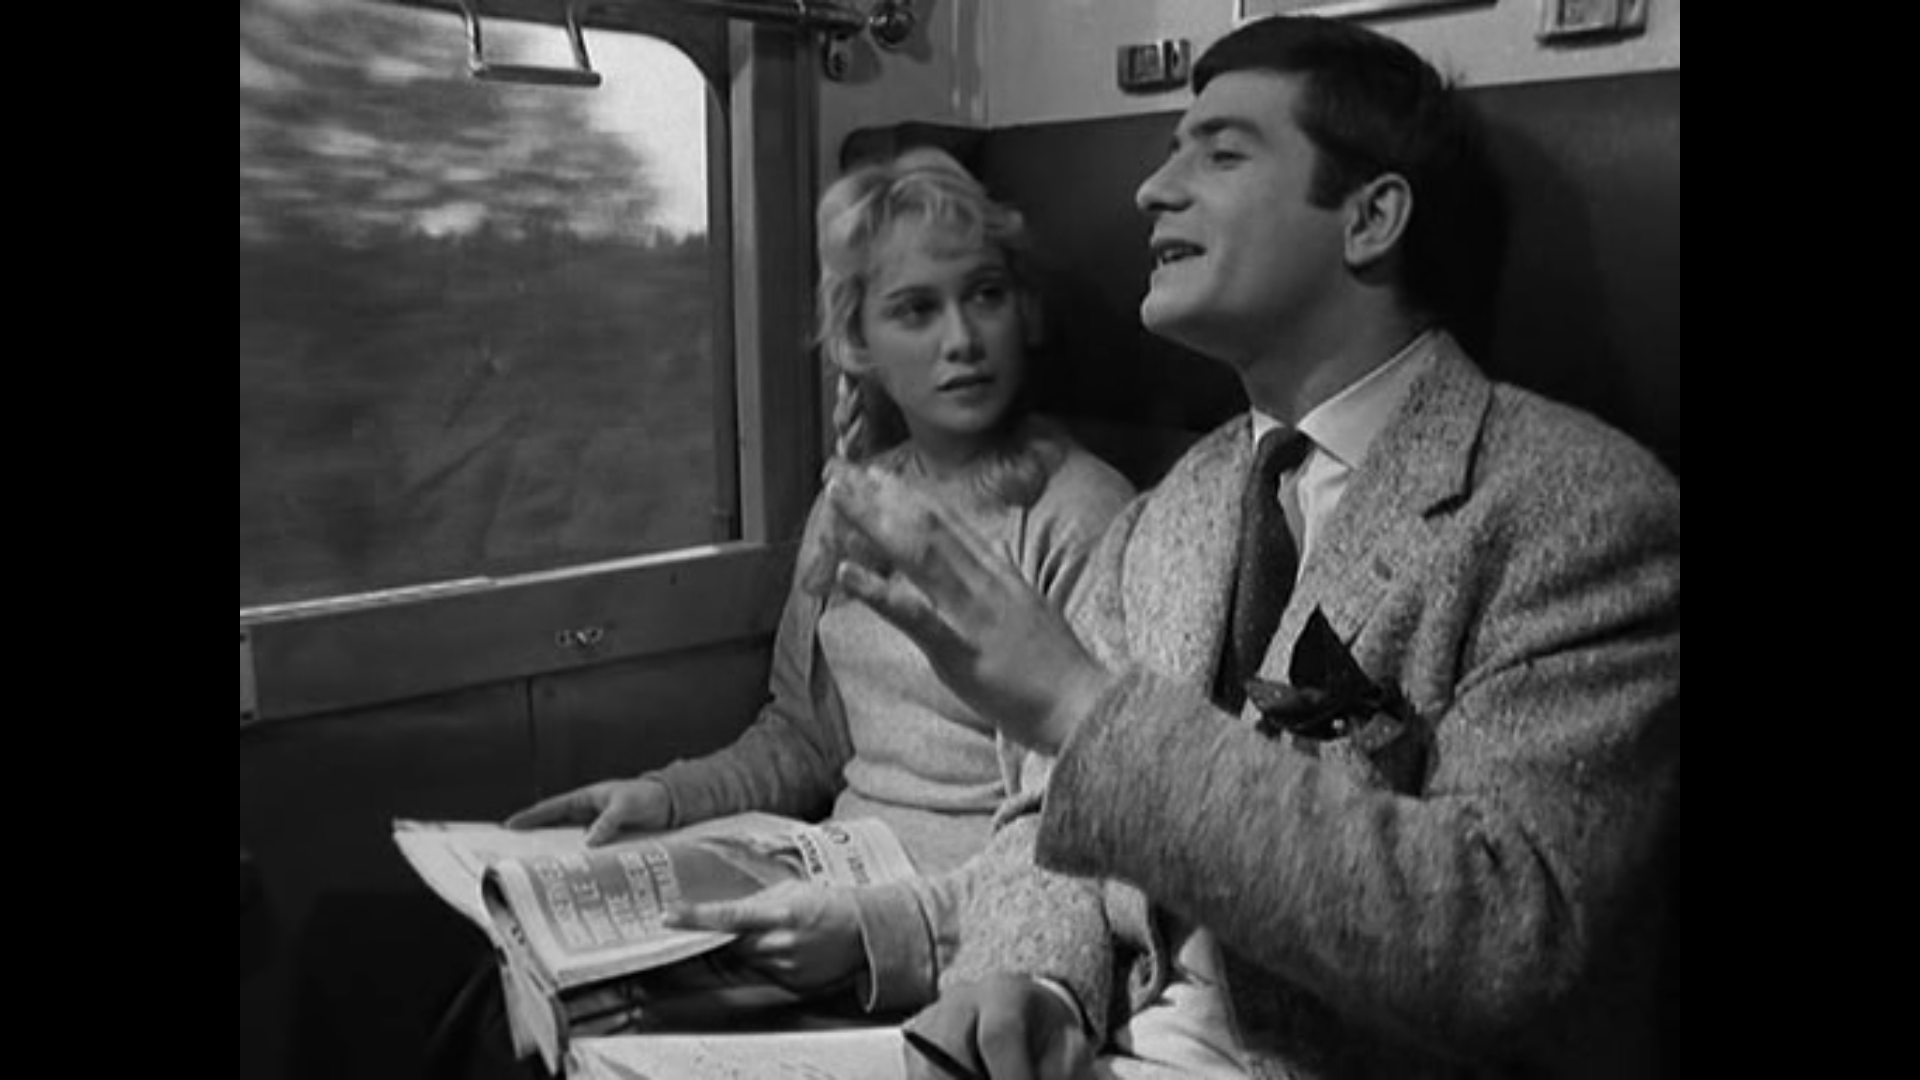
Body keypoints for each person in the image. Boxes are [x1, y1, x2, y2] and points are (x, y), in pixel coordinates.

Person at [822, 16, 1679, 1080]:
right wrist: (1028, 982)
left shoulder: (1578, 511)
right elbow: (1046, 815)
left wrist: (1081, 708)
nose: (1152, 190)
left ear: (1370, 218)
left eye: (1220, 154)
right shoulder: (1176, 507)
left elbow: (1505, 939)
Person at [505, 145, 1136, 1015]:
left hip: (971, 935)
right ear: (859, 342)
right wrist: (667, 797)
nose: (962, 339)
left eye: (985, 295)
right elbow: (805, 742)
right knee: (541, 997)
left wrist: (875, 931)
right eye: (916, 309)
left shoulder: (1081, 515)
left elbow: (1078, 833)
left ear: (1021, 311)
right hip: (831, 887)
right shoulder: (852, 504)